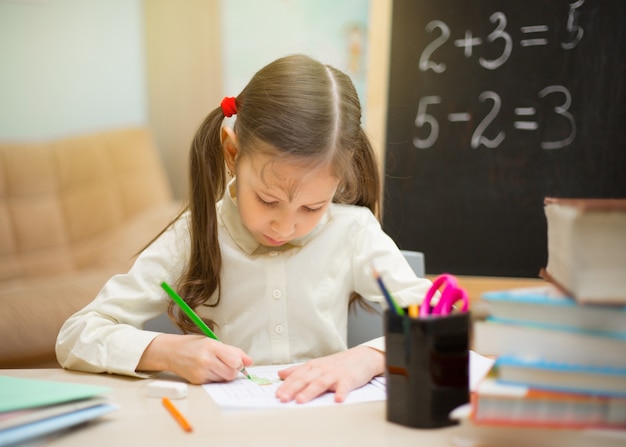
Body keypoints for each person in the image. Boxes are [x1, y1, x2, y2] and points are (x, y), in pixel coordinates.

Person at [56, 54, 432, 403]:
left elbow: (442, 322)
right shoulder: (195, 235)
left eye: (312, 207)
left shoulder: (352, 232)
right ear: (232, 154)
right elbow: (77, 335)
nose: (286, 226)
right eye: (268, 200)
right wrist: (167, 351)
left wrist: (366, 359)